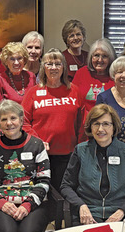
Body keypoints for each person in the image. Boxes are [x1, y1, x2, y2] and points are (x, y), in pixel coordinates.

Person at [0, 100, 51, 232]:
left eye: (13, 118)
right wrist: (1, 202)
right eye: (4, 119)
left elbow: (44, 181)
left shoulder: (37, 145)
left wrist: (27, 205)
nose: (9, 123)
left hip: (33, 203)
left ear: (21, 120)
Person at [61, 104, 125, 224]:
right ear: (90, 127)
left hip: (120, 214)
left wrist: (123, 211)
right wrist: (81, 205)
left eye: (106, 124)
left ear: (114, 127)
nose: (100, 129)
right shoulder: (80, 150)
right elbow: (66, 186)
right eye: (96, 124)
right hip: (89, 213)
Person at [22, 49, 84, 191]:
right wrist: (37, 141)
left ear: (64, 67)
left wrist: (80, 149)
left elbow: (81, 124)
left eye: (58, 64)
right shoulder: (33, 92)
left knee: (64, 194)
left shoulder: (74, 91)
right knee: (40, 194)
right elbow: (23, 122)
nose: (54, 68)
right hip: (40, 155)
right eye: (49, 64)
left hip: (68, 155)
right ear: (43, 67)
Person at [0, 42, 36, 130]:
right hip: (10, 128)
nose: (16, 62)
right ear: (6, 61)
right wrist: (0, 133)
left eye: (19, 58)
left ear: (24, 60)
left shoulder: (31, 77)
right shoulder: (0, 79)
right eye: (12, 59)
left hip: (30, 127)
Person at [72, 38, 116, 119]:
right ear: (91, 57)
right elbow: (73, 99)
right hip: (84, 120)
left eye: (104, 56)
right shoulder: (81, 73)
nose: (100, 60)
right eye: (96, 55)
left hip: (108, 121)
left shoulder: (115, 76)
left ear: (110, 58)